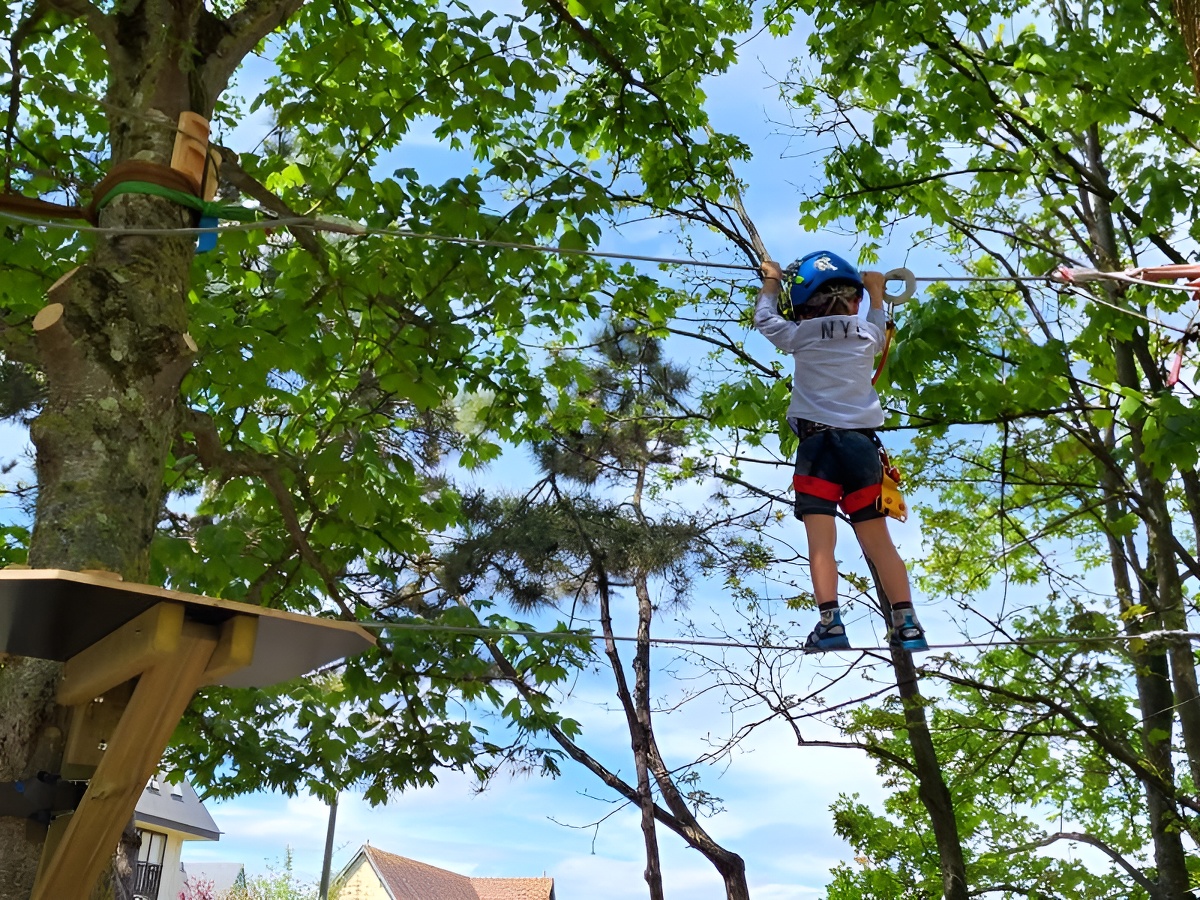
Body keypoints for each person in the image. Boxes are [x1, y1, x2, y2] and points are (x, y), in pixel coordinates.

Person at [755, 251, 929, 652]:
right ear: (854, 301)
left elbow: (765, 319)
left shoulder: (801, 335)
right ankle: (908, 624)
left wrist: (771, 281)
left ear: (801, 308)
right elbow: (881, 320)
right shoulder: (868, 334)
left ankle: (831, 623)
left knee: (821, 542)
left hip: (818, 448)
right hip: (860, 448)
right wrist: (877, 291)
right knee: (878, 540)